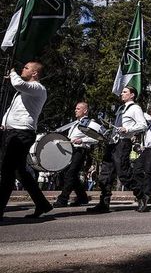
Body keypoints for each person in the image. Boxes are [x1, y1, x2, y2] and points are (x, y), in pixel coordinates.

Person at [0, 62, 52, 220]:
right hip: (13, 132)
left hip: (22, 133)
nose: (23, 69)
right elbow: (13, 110)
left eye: (26, 68)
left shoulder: (38, 88)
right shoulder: (24, 91)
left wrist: (13, 73)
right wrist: (4, 123)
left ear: (35, 74)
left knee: (7, 171)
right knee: (19, 172)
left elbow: (17, 83)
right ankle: (42, 204)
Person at [87, 86, 148, 213]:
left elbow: (143, 125)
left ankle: (142, 196)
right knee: (105, 174)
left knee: (124, 174)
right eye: (122, 92)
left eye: (125, 92)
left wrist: (128, 129)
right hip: (112, 142)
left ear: (132, 95)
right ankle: (104, 203)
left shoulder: (135, 108)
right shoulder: (121, 109)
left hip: (123, 143)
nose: (122, 94)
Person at [53, 102, 98, 208]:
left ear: (85, 111)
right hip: (71, 150)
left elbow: (96, 139)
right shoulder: (74, 123)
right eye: (75, 108)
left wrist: (82, 140)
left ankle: (63, 199)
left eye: (78, 108)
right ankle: (82, 197)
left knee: (70, 174)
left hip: (80, 150)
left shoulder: (90, 123)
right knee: (70, 175)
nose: (75, 110)